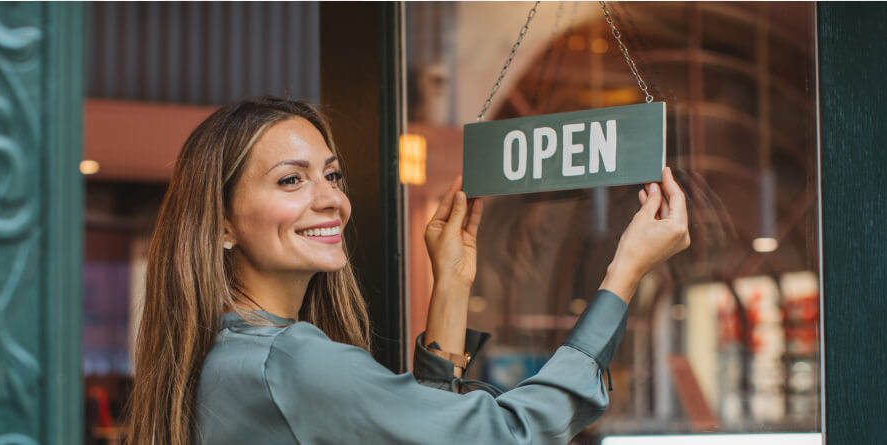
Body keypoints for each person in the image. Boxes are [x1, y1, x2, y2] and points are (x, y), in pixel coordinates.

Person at [126, 97, 690, 444]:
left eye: (333, 176)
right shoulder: (293, 363)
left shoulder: (227, 356)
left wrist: (451, 286)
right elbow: (508, 437)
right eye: (291, 180)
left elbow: (424, 436)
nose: (331, 200)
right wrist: (624, 273)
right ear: (222, 224)